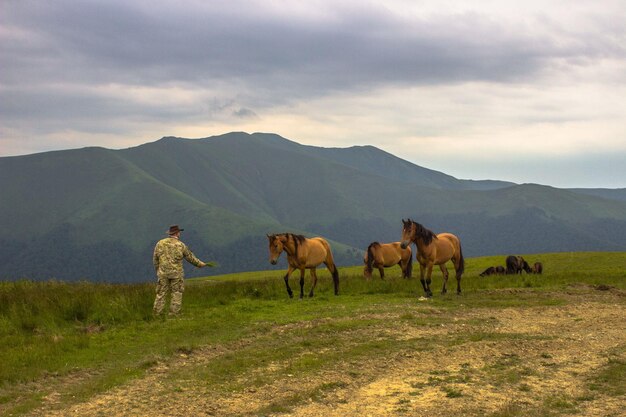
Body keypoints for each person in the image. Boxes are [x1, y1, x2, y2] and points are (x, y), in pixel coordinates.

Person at [152, 225, 215, 316]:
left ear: (170, 233)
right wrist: (200, 264)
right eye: (179, 232)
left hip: (163, 273)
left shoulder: (160, 243)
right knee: (176, 292)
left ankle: (157, 314)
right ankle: (174, 313)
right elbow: (190, 257)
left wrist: (158, 270)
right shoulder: (181, 245)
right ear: (177, 233)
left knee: (161, 293)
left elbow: (155, 259)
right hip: (177, 274)